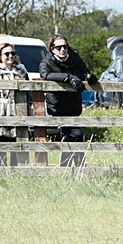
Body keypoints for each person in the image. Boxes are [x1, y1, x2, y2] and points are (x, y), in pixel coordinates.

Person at [39, 34, 98, 167]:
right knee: (75, 134)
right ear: (52, 48)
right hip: (58, 106)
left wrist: (89, 76)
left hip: (74, 105)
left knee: (73, 136)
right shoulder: (47, 61)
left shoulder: (74, 58)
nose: (63, 50)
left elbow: (84, 70)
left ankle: (69, 168)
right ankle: (79, 167)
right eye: (59, 47)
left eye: (65, 46)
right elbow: (45, 74)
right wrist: (68, 77)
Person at [0, 43, 30, 166]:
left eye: (13, 53)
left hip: (18, 109)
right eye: (7, 54)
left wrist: (29, 112)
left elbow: (29, 94)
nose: (10, 56)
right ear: (0, 56)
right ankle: (1, 173)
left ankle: (20, 172)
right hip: (1, 110)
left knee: (19, 143)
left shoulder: (22, 70)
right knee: (1, 146)